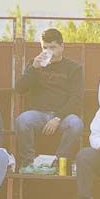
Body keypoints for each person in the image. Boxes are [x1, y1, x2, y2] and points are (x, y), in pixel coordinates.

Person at [15, 28, 84, 170]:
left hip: (62, 116)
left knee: (76, 124)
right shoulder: (34, 64)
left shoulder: (74, 68)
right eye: (44, 48)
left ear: (62, 47)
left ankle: (58, 163)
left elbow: (76, 98)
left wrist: (57, 118)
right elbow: (20, 89)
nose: (48, 52)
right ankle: (29, 164)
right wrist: (33, 68)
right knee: (22, 120)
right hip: (38, 114)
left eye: (52, 47)